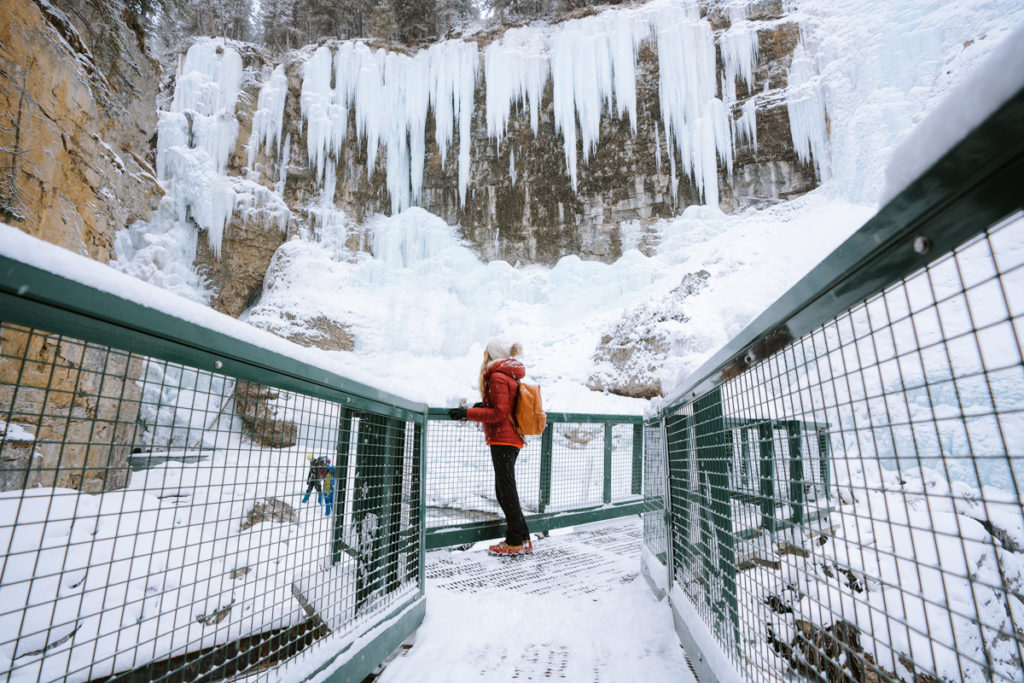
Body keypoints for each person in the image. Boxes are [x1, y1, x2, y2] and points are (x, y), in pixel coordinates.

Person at [449, 338, 533, 556]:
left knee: (505, 490)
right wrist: (482, 406)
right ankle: (523, 538)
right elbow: (501, 405)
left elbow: (498, 413)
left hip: (503, 438)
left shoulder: (496, 375)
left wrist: (467, 414)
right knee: (506, 489)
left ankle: (514, 540)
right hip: (510, 437)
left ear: (491, 354)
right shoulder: (508, 374)